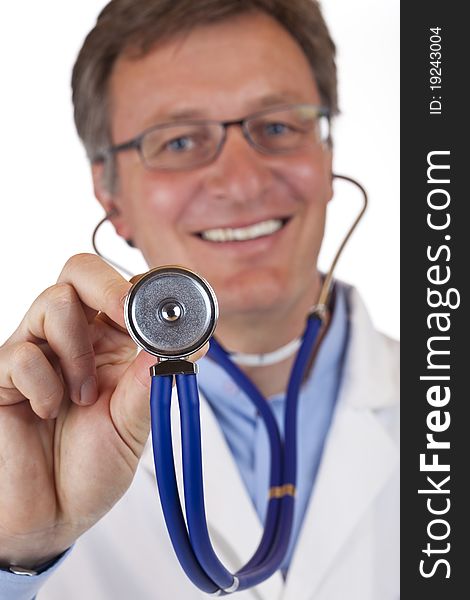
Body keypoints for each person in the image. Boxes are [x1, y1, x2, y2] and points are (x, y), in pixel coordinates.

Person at [0, 1, 399, 598]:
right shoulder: (36, 426)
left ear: (327, 154)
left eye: (278, 126)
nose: (241, 183)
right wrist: (18, 554)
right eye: (180, 141)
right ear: (110, 194)